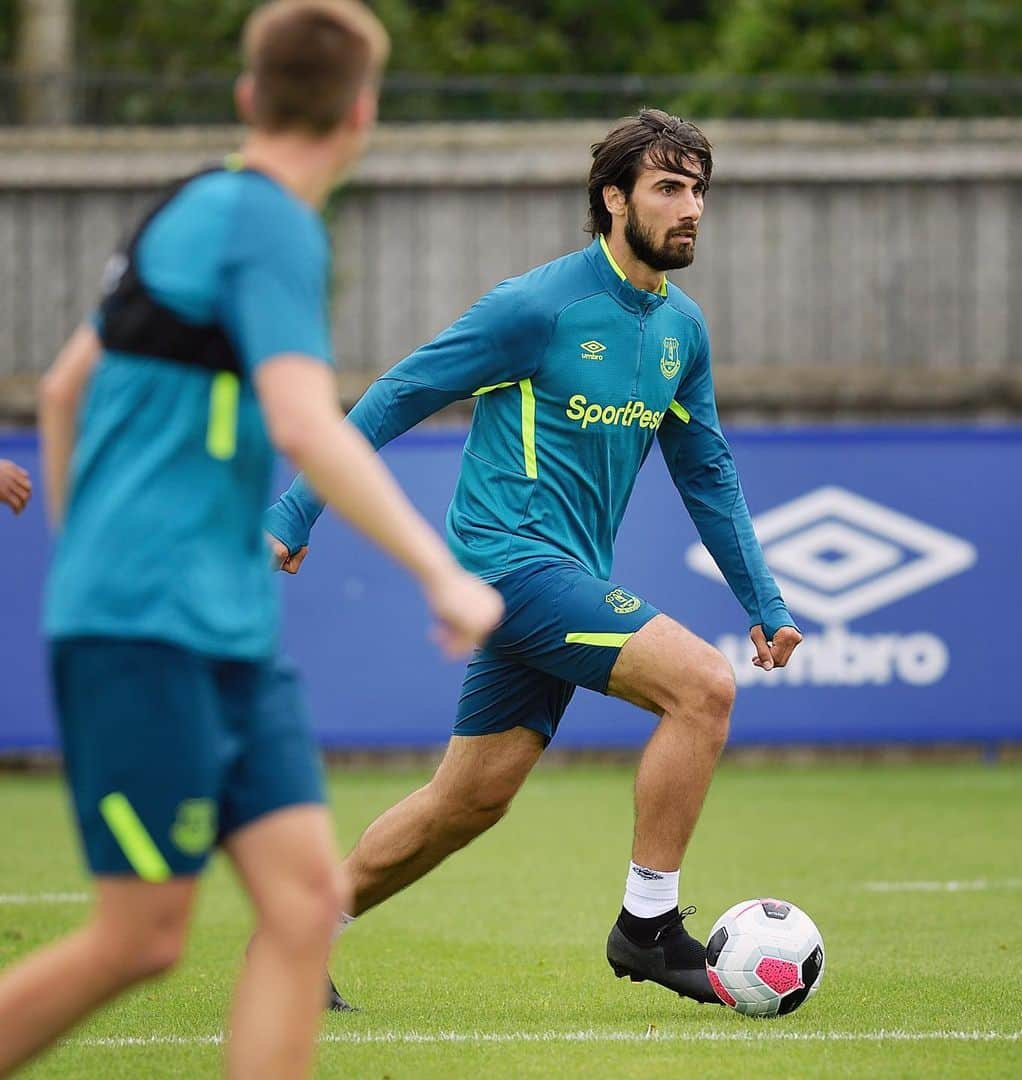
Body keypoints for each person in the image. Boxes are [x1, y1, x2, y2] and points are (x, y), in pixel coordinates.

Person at [0, 2, 501, 1076]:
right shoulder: (272, 222)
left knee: (307, 899)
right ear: (363, 113)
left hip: (219, 627)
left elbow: (62, 388)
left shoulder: (190, 204)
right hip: (150, 628)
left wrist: (83, 544)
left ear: (247, 96)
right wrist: (440, 574)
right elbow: (303, 422)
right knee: (140, 937)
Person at [265, 107, 802, 1009]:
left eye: (700, 188)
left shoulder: (683, 332)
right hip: (504, 564)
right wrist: (295, 509)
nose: (692, 207)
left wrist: (766, 600)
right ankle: (648, 926)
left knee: (468, 802)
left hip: (566, 577)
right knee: (703, 688)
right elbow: (400, 392)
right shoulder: (535, 306)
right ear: (612, 198)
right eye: (669, 187)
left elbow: (707, 473)